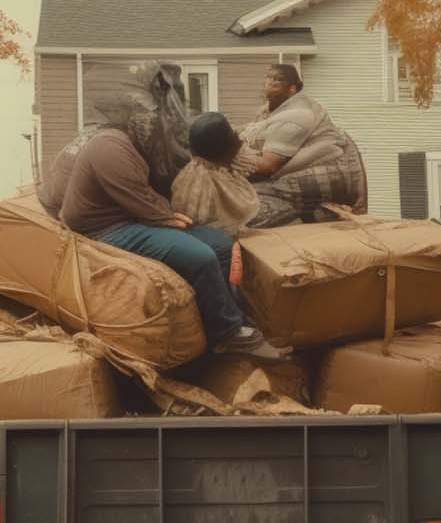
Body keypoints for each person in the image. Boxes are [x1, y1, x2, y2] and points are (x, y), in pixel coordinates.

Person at [60, 112, 284, 360]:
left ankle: (226, 319)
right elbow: (138, 198)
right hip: (106, 228)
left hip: (134, 215)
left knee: (221, 244)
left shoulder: (137, 147)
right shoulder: (111, 150)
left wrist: (167, 212)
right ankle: (229, 334)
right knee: (201, 257)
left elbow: (146, 195)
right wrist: (165, 216)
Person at [241, 63, 368, 228]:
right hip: (301, 167)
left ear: (292, 88)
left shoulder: (297, 114)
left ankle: (298, 217)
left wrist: (230, 166)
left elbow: (267, 166)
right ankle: (310, 216)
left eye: (278, 79)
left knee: (248, 206)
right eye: (269, 77)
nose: (270, 82)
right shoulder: (270, 111)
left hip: (331, 171)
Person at [170, 111, 260, 236]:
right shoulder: (214, 183)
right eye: (234, 136)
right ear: (232, 147)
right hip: (221, 234)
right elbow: (244, 211)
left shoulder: (190, 172)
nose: (239, 139)